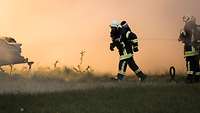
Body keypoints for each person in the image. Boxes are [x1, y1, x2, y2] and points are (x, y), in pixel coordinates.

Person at [179, 16, 200, 82]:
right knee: (196, 63)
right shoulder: (198, 27)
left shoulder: (186, 27)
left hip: (189, 49)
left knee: (189, 63)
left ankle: (190, 78)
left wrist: (181, 38)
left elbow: (181, 38)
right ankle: (197, 78)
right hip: (197, 49)